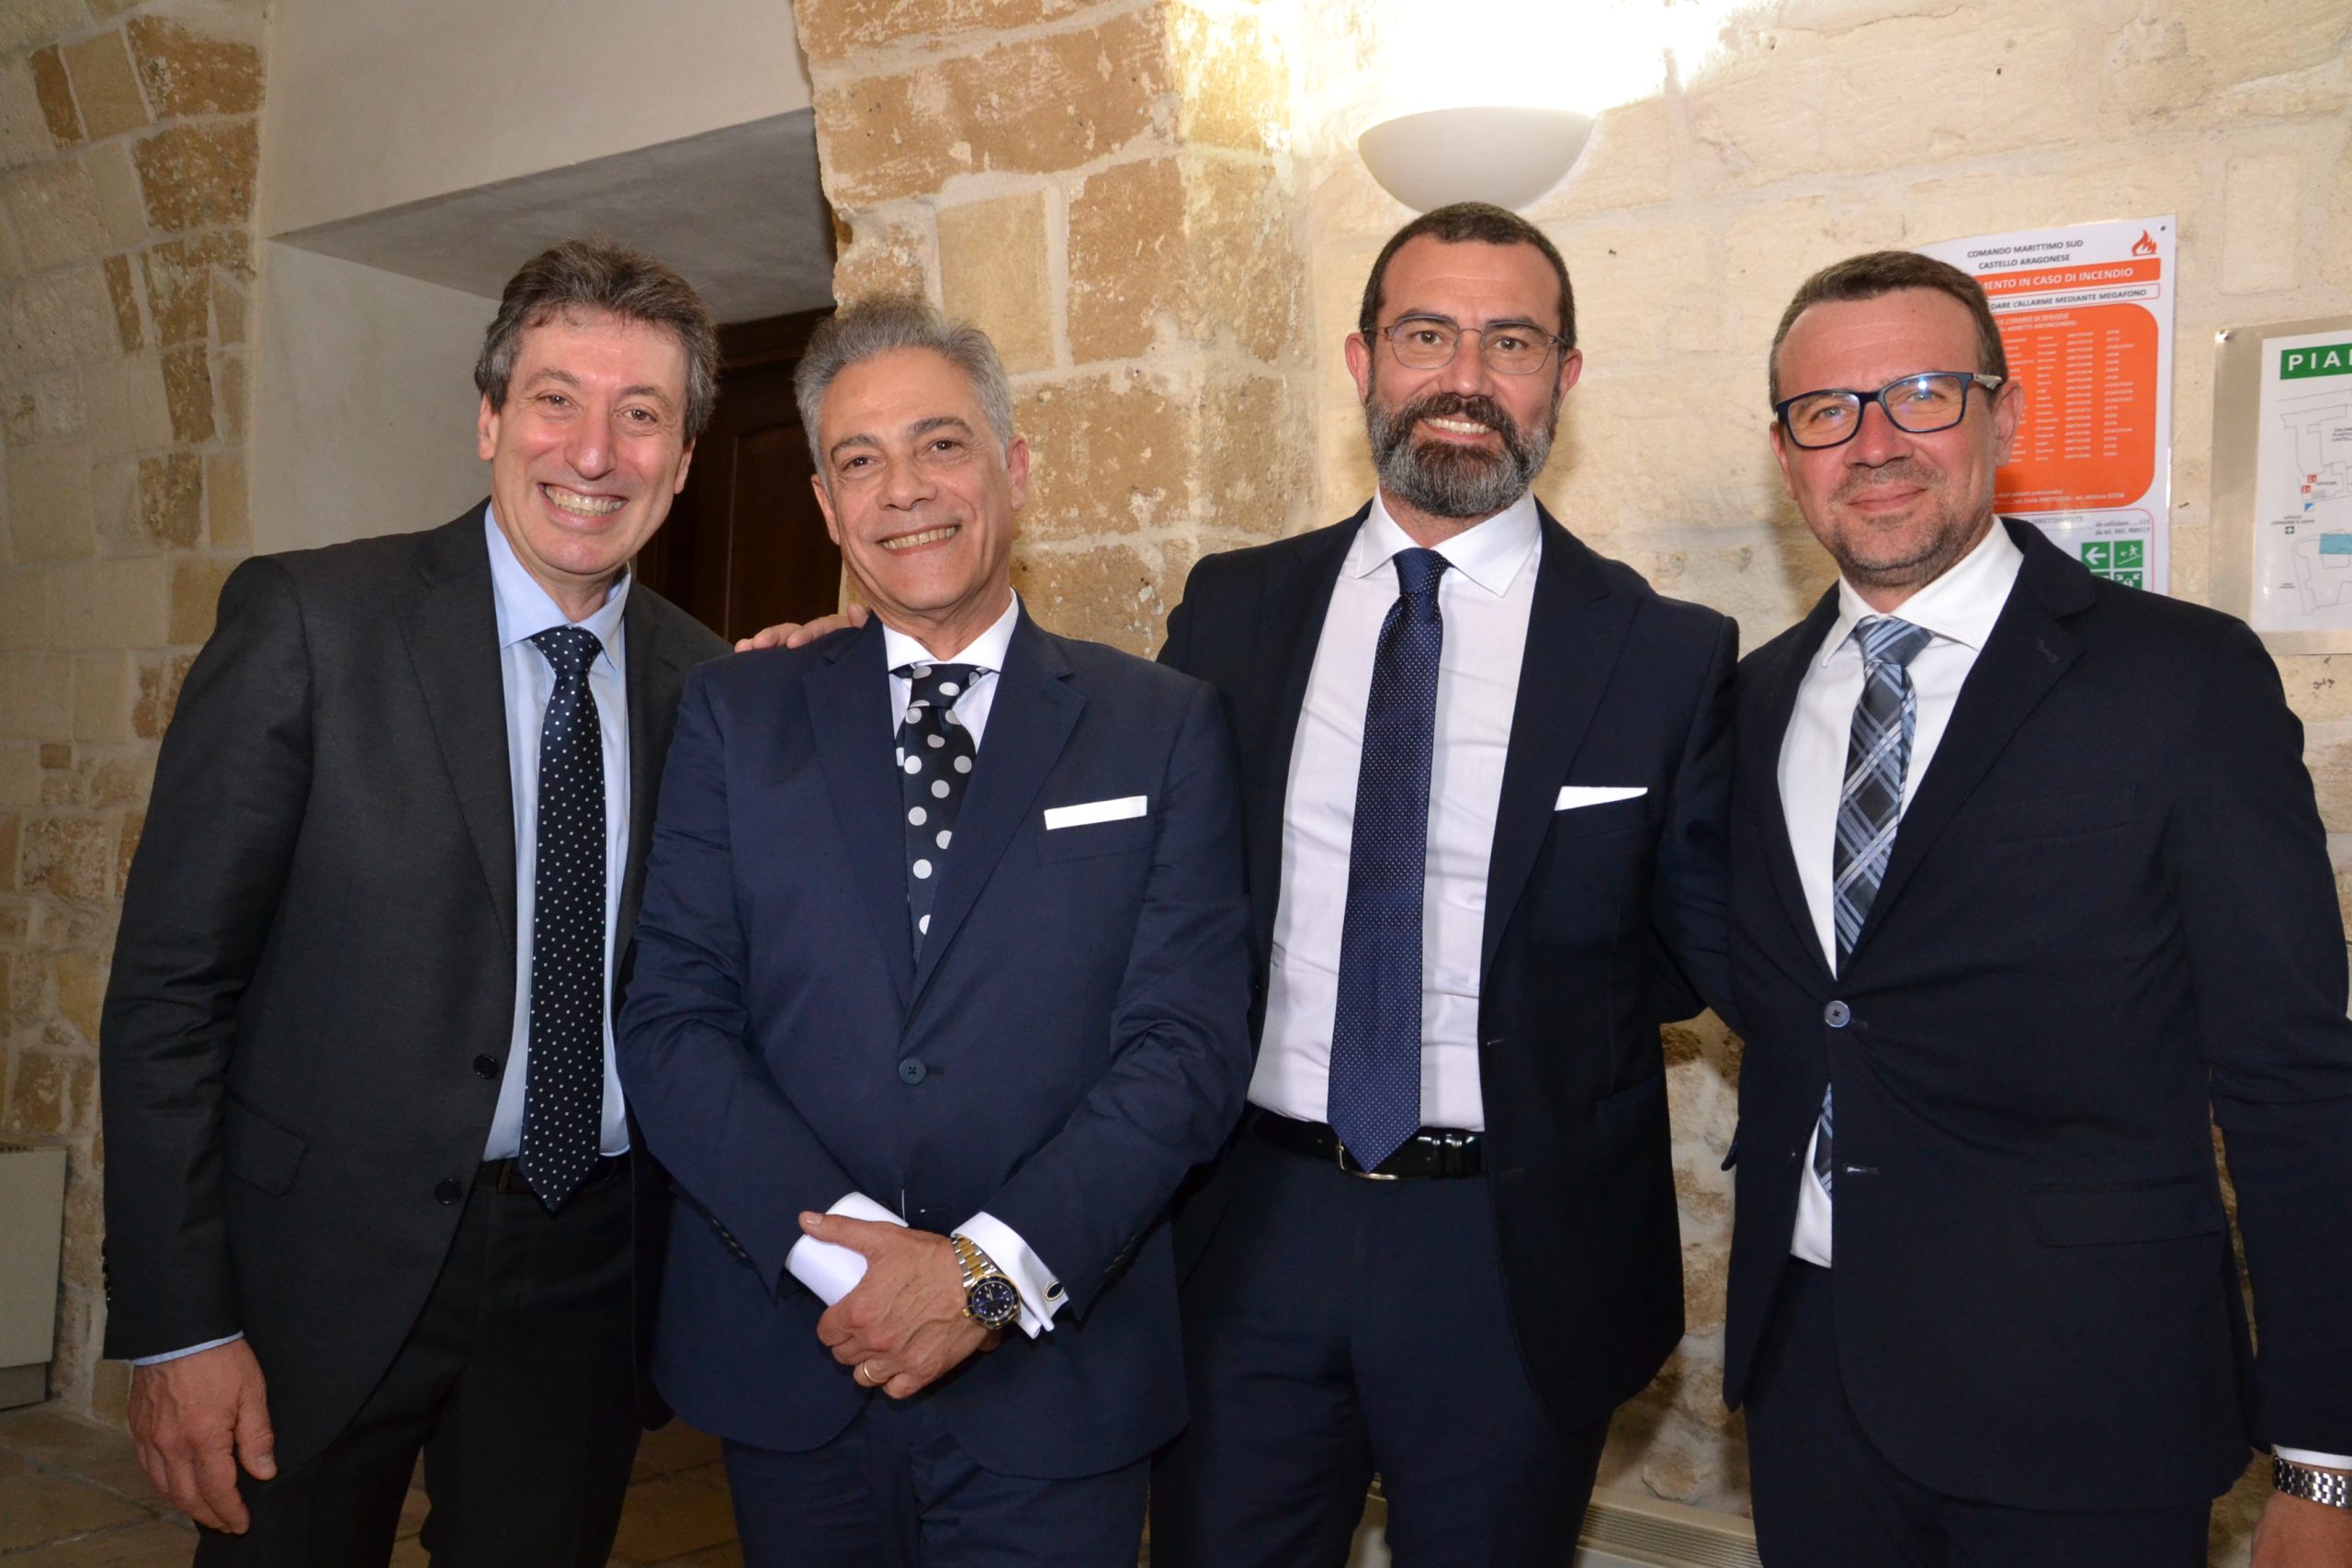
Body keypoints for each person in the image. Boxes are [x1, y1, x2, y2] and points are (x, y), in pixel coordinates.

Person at [99, 240, 730, 1565]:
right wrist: (178, 1322)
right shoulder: (311, 623)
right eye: (556, 399)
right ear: (489, 417)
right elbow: (170, 994)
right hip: (316, 1271)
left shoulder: (714, 688)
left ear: (682, 462)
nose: (594, 452)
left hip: (588, 1272)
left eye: (641, 416)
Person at [1723, 249, 2352, 1566]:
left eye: (1923, 395)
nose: (1875, 444)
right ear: (1787, 455)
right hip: (1812, 1393)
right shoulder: (1753, 700)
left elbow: (2293, 1076)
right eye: (1827, 412)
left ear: (2005, 416)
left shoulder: (2182, 681)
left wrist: (2327, 1456)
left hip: (2086, 1406)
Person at [614, 295, 1255, 1568]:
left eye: (941, 445)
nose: (904, 489)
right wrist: (854, 1266)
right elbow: (675, 1023)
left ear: (1014, 469)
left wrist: (980, 1277)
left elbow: (1186, 1046)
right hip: (797, 1356)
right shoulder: (737, 715)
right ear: (825, 504)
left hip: (1056, 1375)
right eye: (860, 460)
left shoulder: (1160, 726)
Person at [1146, 202, 1733, 1565]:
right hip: (1250, 1229)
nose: (1465, 377)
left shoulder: (1663, 652)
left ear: (1562, 380)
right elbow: (1140, 867)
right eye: (1427, 335)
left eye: (1510, 342)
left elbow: (1680, 949)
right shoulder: (1233, 609)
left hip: (1513, 1252)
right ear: (1363, 361)